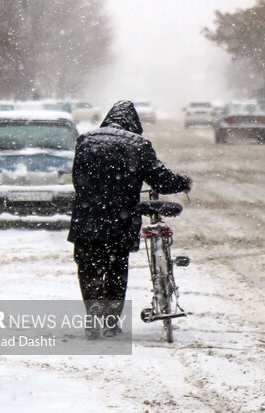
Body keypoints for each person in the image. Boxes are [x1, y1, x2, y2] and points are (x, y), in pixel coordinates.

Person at [67, 100, 191, 338]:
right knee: (116, 267)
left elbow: (77, 179)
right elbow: (161, 179)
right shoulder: (138, 144)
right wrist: (182, 183)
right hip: (119, 220)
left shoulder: (85, 140)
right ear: (133, 124)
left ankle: (93, 313)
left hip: (87, 218)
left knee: (88, 267)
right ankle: (111, 322)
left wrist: (93, 198)